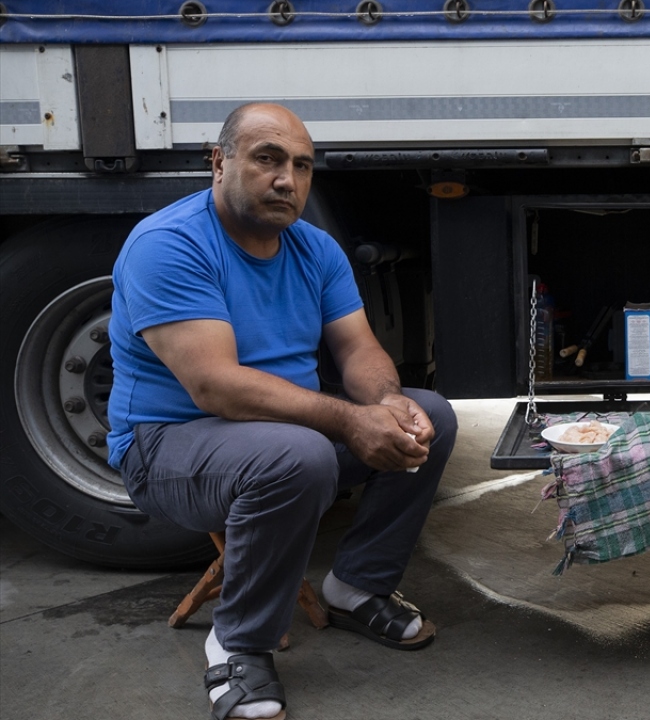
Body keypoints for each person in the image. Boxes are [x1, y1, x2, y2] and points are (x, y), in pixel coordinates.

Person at [106, 103, 457, 720]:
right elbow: (217, 388)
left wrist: (387, 402)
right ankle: (237, 641)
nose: (287, 180)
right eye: (267, 159)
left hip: (282, 443)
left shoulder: (314, 249)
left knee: (430, 414)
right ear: (218, 163)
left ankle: (356, 587)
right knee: (301, 453)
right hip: (166, 446)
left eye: (301, 165)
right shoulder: (169, 245)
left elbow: (358, 349)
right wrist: (349, 421)